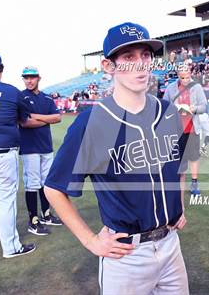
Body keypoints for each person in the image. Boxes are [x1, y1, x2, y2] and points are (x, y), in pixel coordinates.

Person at [44, 22, 189, 294]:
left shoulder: (168, 112)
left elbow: (180, 164)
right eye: (128, 57)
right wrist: (90, 241)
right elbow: (53, 189)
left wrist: (178, 205)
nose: (140, 64)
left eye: (145, 55)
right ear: (109, 66)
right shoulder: (93, 122)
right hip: (126, 255)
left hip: (171, 245)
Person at [0, 52, 37, 258]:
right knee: (5, 200)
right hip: (3, 152)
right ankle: (11, 248)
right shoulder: (11, 91)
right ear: (0, 69)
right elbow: (23, 119)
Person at [19, 66, 63, 236]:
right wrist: (47, 119)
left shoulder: (46, 97)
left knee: (46, 183)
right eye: (26, 77)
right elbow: (25, 122)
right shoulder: (21, 97)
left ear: (39, 78)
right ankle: (33, 220)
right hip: (30, 147)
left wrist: (37, 116)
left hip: (46, 146)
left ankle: (46, 214)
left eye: (32, 77)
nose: (29, 80)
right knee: (32, 184)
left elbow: (58, 118)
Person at [163, 68, 207, 195]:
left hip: (193, 128)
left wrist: (195, 108)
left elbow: (204, 106)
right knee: (177, 159)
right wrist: (174, 108)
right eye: (182, 78)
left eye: (187, 77)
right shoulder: (171, 88)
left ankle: (194, 183)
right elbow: (165, 106)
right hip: (176, 129)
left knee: (193, 157)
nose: (185, 80)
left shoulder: (197, 87)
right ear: (178, 76)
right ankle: (177, 184)